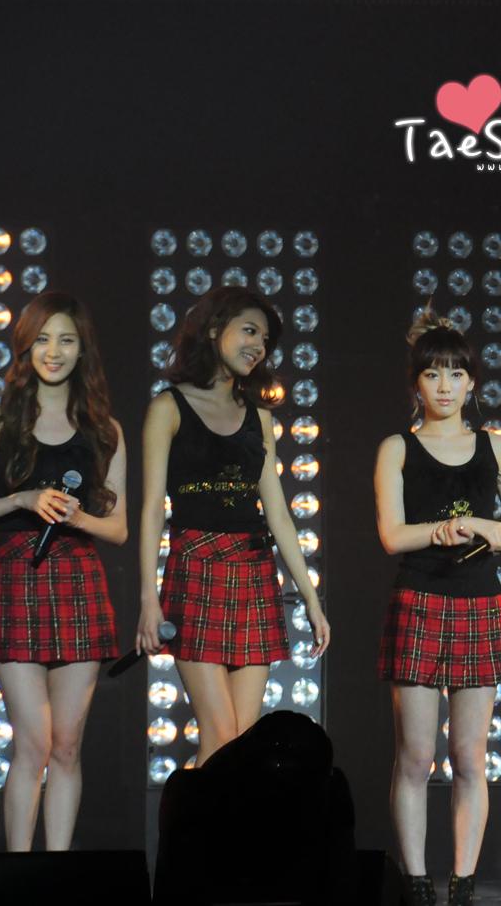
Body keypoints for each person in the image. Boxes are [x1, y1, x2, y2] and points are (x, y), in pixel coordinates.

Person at [374, 309, 501, 906]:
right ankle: (416, 878)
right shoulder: (398, 447)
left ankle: (463, 880)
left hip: (479, 602)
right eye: (433, 374)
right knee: (416, 756)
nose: (444, 386)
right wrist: (440, 529)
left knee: (469, 755)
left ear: (472, 382)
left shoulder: (496, 447)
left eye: (455, 374)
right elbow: (392, 535)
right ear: (416, 383)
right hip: (419, 599)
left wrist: (484, 527)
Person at [0, 292, 128, 851]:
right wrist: (22, 499)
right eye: (42, 339)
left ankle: (56, 869)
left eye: (66, 340)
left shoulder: (104, 429)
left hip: (78, 579)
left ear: (82, 350)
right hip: (15, 575)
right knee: (33, 742)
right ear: (25, 347)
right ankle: (18, 872)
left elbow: (119, 528)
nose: (53, 351)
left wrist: (78, 516)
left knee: (67, 745)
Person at [136, 287, 329, 765]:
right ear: (213, 329)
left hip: (253, 571)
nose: (258, 346)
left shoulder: (258, 416)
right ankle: (189, 815)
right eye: (249, 331)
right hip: (195, 567)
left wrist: (310, 598)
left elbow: (278, 512)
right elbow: (153, 508)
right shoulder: (168, 408)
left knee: (243, 747)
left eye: (264, 339)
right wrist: (148, 599)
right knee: (221, 738)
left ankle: (213, 816)